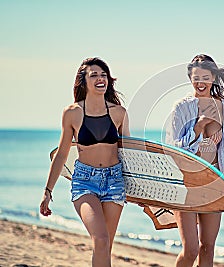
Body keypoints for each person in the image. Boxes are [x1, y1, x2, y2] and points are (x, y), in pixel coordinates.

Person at [39, 57, 130, 267]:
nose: (100, 79)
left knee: (106, 246)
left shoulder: (118, 112)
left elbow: (129, 154)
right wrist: (47, 190)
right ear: (84, 81)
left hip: (114, 180)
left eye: (103, 75)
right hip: (84, 181)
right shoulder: (72, 113)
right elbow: (61, 154)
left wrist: (144, 192)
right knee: (101, 239)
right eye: (94, 75)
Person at [166, 54, 224, 267]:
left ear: (213, 77)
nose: (200, 82)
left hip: (215, 183)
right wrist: (199, 126)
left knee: (208, 247)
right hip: (186, 184)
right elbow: (174, 148)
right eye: (196, 77)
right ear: (190, 78)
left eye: (205, 77)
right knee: (191, 250)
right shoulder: (181, 108)